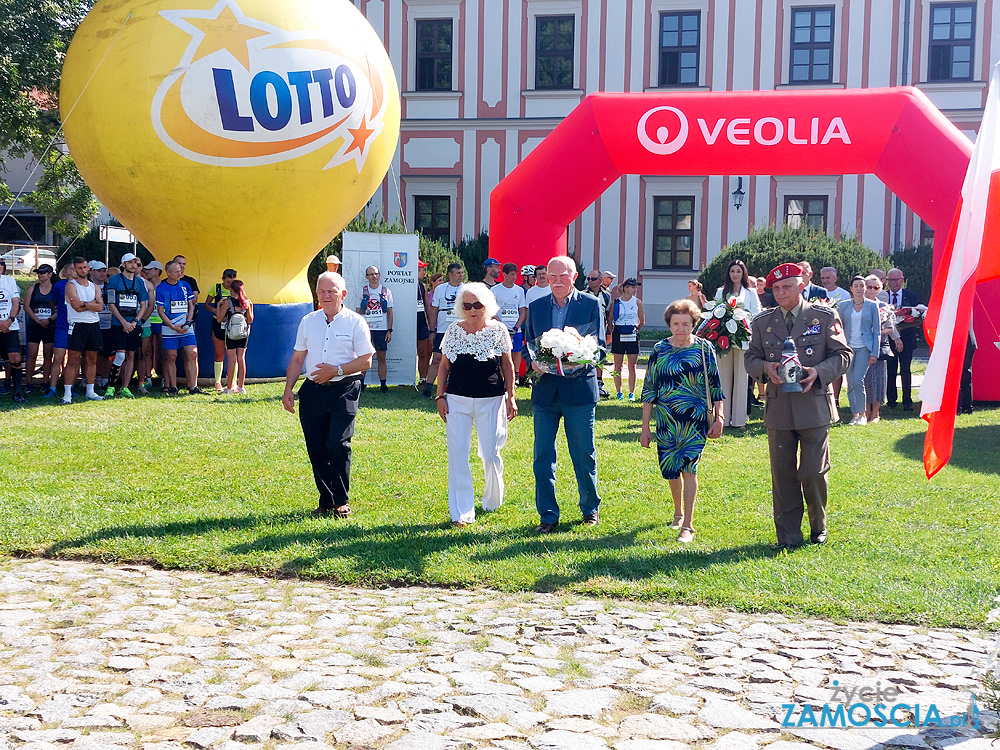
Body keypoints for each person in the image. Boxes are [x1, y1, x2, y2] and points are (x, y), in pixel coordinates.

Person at [744, 262, 851, 550]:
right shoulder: (762, 322)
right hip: (779, 408)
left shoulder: (824, 316)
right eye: (776, 288)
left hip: (814, 405)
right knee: (783, 475)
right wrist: (766, 367)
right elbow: (750, 359)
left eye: (786, 287)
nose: (780, 292)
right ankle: (789, 536)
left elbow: (843, 355)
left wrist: (819, 372)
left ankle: (818, 524)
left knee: (812, 472)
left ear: (801, 286)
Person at [522, 256, 605, 533]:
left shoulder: (591, 305)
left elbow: (601, 347)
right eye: (551, 276)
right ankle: (547, 515)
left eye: (563, 275)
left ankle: (590, 508)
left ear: (574, 276)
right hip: (545, 393)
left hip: (579, 391)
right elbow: (527, 344)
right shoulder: (535, 307)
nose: (557, 281)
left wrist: (578, 358)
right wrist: (533, 362)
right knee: (542, 456)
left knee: (583, 452)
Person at [283, 272, 374, 517]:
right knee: (316, 447)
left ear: (343, 294)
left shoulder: (355, 322)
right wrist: (288, 389)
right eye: (321, 291)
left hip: (344, 389)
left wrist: (337, 370)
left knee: (338, 443)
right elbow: (298, 358)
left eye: (331, 291)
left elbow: (366, 360)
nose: (325, 296)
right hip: (312, 391)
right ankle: (326, 501)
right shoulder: (308, 321)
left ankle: (341, 501)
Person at [640, 299, 724, 543]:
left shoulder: (704, 348)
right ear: (669, 325)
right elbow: (649, 390)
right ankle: (677, 511)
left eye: (686, 324)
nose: (681, 329)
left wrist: (719, 417)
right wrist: (645, 427)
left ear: (694, 324)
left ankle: (688, 525)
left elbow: (716, 387)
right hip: (666, 420)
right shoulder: (659, 349)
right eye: (676, 324)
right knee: (670, 470)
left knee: (690, 468)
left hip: (695, 419)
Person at [435, 283, 517, 526]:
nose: (472, 310)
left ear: (487, 306)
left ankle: (493, 498)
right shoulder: (453, 331)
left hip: (491, 400)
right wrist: (440, 396)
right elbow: (443, 366)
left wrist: (511, 396)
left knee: (490, 453)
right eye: (467, 305)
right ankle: (461, 512)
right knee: (458, 454)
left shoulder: (499, 330)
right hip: (457, 400)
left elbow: (508, 366)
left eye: (477, 305)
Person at [714, 259, 761, 428]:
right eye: (732, 271)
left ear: (743, 274)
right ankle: (723, 418)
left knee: (742, 379)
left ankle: (739, 419)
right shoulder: (721, 292)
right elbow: (715, 314)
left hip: (743, 340)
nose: (735, 274)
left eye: (738, 271)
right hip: (723, 340)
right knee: (724, 378)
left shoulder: (750, 292)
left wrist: (743, 322)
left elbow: (756, 314)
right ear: (728, 273)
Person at [104, 253, 149, 397]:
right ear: (123, 264)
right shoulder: (114, 281)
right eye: (129, 262)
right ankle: (111, 386)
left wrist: (135, 322)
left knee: (131, 355)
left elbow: (143, 305)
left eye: (135, 262)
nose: (133, 265)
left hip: (134, 324)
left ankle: (125, 386)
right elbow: (111, 303)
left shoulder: (140, 282)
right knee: (120, 355)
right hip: (118, 323)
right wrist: (123, 322)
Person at [837, 276, 880, 426]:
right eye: (856, 286)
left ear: (865, 288)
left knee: (857, 380)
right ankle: (855, 414)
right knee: (850, 383)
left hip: (864, 348)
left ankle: (862, 414)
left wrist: (875, 352)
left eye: (862, 286)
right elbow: (838, 328)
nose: (859, 289)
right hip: (848, 348)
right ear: (851, 288)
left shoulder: (872, 306)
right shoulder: (843, 306)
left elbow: (877, 332)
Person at [62, 256, 106, 403]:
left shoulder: (94, 286)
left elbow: (100, 307)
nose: (83, 270)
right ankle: (67, 393)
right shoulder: (71, 285)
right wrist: (90, 304)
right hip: (77, 324)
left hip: (93, 325)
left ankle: (90, 391)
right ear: (74, 269)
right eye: (79, 268)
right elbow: (76, 307)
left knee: (92, 358)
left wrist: (84, 304)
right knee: (73, 359)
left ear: (88, 268)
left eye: (85, 267)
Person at [157, 260, 201, 395]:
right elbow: (160, 310)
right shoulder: (161, 288)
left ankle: (193, 386)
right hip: (170, 327)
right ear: (168, 273)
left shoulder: (185, 285)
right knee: (171, 356)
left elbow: (191, 305)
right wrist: (172, 326)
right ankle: (173, 386)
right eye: (176, 271)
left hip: (186, 327)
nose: (179, 273)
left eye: (180, 271)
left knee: (192, 354)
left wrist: (188, 322)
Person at [863, 274, 902, 424]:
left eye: (876, 287)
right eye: (869, 286)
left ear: (880, 289)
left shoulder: (883, 307)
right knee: (864, 379)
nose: (872, 290)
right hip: (862, 347)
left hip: (879, 347)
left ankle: (876, 412)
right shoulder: (859, 305)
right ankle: (866, 410)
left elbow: (890, 328)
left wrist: (875, 331)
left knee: (879, 379)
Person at [425, 263, 465, 398]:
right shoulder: (440, 289)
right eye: (458, 273)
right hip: (443, 329)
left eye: (462, 273)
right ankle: (428, 388)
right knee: (437, 358)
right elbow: (434, 310)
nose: (461, 275)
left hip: (461, 329)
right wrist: (432, 331)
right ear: (450, 274)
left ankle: (454, 387)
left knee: (458, 360)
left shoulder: (466, 289)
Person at [884, 268, 920, 412]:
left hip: (907, 338)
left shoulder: (912, 296)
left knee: (906, 370)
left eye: (895, 280)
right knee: (890, 370)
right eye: (890, 280)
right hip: (889, 338)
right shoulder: (883, 296)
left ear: (902, 280)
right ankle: (891, 401)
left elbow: (918, 316)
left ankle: (907, 402)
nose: (892, 283)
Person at [357, 265, 393, 392]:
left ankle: (383, 385)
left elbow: (390, 312)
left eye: (376, 274)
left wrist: (389, 330)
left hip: (381, 329)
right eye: (371, 274)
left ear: (380, 275)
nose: (374, 276)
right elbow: (358, 312)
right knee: (364, 356)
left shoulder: (385, 291)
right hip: (366, 329)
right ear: (367, 277)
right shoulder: (362, 291)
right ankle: (360, 384)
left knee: (381, 356)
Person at [492, 262, 528, 383]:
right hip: (500, 327)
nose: (514, 277)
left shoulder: (519, 290)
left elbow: (522, 311)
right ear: (504, 274)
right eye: (512, 274)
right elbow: (492, 311)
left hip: (515, 328)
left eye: (515, 274)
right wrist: (502, 326)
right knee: (502, 351)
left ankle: (516, 375)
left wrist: (516, 327)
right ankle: (503, 376)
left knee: (516, 350)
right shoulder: (495, 290)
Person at [24, 264, 57, 393]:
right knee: (31, 354)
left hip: (50, 325)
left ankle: (45, 382)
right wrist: (37, 320)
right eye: (39, 273)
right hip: (34, 325)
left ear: (50, 274)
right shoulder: (33, 289)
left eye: (43, 273)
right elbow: (26, 306)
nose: (40, 275)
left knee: (48, 355)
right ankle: (29, 382)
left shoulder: (55, 290)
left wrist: (49, 320)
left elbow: (61, 308)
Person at [610, 278, 644, 401]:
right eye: (632, 287)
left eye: (636, 287)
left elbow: (641, 321)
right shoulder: (616, 302)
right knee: (617, 365)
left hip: (632, 333)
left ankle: (631, 392)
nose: (635, 289)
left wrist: (635, 331)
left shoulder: (637, 302)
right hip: (619, 332)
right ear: (625, 288)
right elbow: (610, 320)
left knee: (632, 365)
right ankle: (618, 391)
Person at [216, 279, 253, 394]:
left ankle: (228, 388)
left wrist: (218, 307)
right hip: (243, 334)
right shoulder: (246, 302)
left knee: (232, 360)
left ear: (231, 289)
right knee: (241, 359)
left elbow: (219, 319)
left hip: (231, 333)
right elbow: (250, 320)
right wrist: (250, 307)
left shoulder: (228, 302)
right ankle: (241, 387)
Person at [204, 269, 237, 393]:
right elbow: (206, 305)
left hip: (233, 325)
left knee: (233, 355)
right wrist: (216, 311)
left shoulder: (237, 289)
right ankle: (217, 382)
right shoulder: (216, 288)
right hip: (218, 323)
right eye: (228, 282)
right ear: (223, 279)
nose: (230, 285)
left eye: (232, 282)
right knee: (219, 354)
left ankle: (232, 381)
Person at [47, 263, 76, 398]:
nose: (74, 271)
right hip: (62, 327)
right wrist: (57, 311)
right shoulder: (59, 286)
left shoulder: (83, 285)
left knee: (74, 359)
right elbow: (52, 301)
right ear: (66, 271)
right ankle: (52, 387)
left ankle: (70, 387)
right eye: (71, 268)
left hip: (76, 327)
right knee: (58, 357)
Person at [583, 270, 612, 398]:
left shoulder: (606, 295)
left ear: (600, 280)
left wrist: (610, 327)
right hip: (586, 330)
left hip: (601, 329)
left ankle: (599, 384)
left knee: (600, 356)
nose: (590, 281)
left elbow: (608, 312)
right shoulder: (583, 293)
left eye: (593, 279)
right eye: (588, 278)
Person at [0, 258, 25, 402]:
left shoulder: (9, 281)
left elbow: (16, 303)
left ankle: (17, 393)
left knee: (15, 358)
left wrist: (9, 320)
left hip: (10, 325)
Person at [140, 261, 163, 393]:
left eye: (149, 269)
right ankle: (148, 377)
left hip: (160, 320)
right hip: (148, 319)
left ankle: (163, 377)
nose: (146, 271)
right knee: (146, 350)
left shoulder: (164, 285)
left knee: (162, 350)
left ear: (157, 270)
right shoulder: (145, 284)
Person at [416, 260, 433, 392]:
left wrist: (430, 321)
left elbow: (427, 305)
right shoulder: (405, 285)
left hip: (421, 321)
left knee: (423, 352)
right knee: (409, 352)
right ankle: (405, 379)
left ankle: (423, 378)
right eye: (422, 270)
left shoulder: (423, 285)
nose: (424, 273)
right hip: (408, 322)